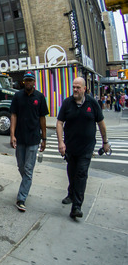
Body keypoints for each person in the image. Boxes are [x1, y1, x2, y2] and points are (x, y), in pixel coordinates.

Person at [56, 77, 110, 220]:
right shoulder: (67, 103)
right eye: (74, 87)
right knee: (72, 172)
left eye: (78, 87)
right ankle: (71, 193)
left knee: (81, 174)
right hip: (70, 147)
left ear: (84, 89)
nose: (75, 89)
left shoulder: (92, 103)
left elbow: (101, 124)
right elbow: (60, 122)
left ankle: (76, 207)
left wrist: (105, 142)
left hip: (86, 148)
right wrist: (61, 142)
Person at [9, 72, 49, 212]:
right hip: (20, 138)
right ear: (23, 82)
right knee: (21, 166)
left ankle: (21, 198)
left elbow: (42, 119)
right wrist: (12, 134)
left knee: (28, 169)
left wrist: (44, 138)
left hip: (33, 139)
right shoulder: (17, 96)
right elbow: (13, 115)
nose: (28, 83)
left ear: (34, 82)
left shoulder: (40, 97)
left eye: (30, 80)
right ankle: (26, 184)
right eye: (26, 81)